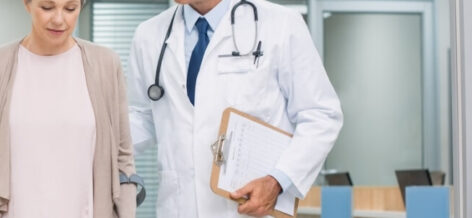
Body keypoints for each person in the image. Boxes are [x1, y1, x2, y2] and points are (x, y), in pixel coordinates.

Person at [126, 0, 343, 217]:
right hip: (179, 206)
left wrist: (278, 180)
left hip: (247, 205)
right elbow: (142, 116)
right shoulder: (149, 34)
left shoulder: (280, 24)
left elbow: (321, 115)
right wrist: (98, 147)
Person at [0, 0, 138, 217]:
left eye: (70, 9)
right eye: (47, 7)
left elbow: (124, 158)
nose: (59, 19)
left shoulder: (106, 64)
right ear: (27, 4)